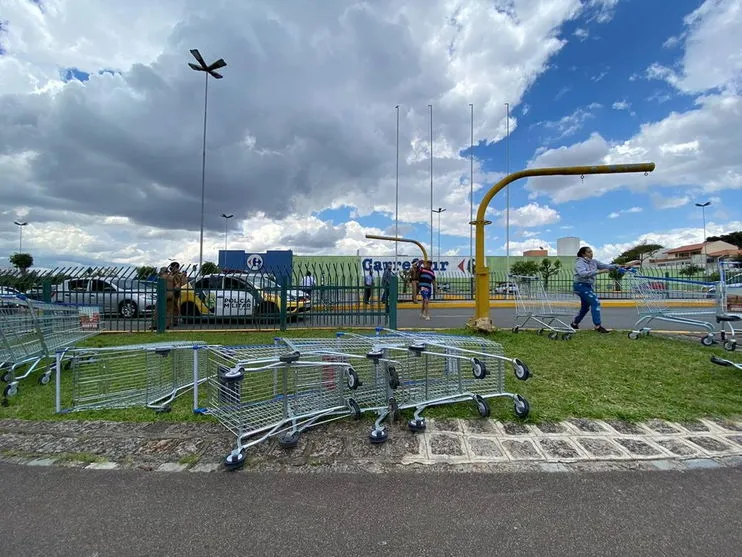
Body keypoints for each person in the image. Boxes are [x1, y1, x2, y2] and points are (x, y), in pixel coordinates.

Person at [571, 246, 636, 333]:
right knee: (595, 302)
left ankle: (574, 324)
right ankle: (598, 326)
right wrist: (599, 272)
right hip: (580, 286)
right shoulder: (580, 262)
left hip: (588, 286)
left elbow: (606, 266)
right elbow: (582, 274)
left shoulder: (594, 262)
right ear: (583, 254)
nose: (591, 253)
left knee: (585, 307)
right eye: (589, 252)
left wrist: (618, 266)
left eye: (591, 252)